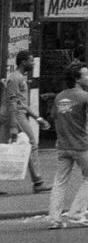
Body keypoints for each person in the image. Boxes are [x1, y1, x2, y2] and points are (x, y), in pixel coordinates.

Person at [45, 62, 88, 228]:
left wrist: (60, 138)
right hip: (81, 145)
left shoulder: (59, 97)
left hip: (63, 146)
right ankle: (76, 213)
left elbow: (55, 118)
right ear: (78, 79)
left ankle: (55, 219)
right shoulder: (86, 97)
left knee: (60, 181)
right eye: (87, 74)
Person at [2, 50, 51, 193]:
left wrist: (37, 117)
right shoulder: (15, 78)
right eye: (31, 61)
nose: (33, 63)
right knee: (32, 144)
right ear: (23, 62)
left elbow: (20, 102)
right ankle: (38, 182)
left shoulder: (19, 78)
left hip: (16, 114)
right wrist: (13, 126)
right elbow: (13, 102)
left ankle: (38, 181)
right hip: (16, 115)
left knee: (3, 148)